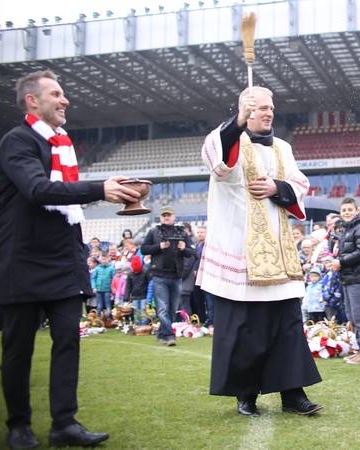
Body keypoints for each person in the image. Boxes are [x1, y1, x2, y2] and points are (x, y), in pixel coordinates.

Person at [0, 70, 140, 448]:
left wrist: (101, 194)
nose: (65, 101)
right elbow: (38, 189)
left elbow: (64, 197)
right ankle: (18, 425)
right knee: (18, 349)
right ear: (32, 101)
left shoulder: (63, 143)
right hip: (22, 262)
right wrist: (99, 189)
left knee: (67, 342)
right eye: (56, 94)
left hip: (62, 262)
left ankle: (64, 423)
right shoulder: (17, 142)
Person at [198, 86, 322, 416]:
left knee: (288, 326)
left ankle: (293, 395)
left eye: (271, 107)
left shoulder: (283, 147)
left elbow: (299, 184)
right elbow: (217, 161)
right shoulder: (229, 139)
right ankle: (246, 396)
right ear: (245, 111)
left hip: (278, 252)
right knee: (244, 328)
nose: (268, 113)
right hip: (239, 248)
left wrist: (276, 188)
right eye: (260, 108)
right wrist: (236, 123)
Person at [140, 206, 195, 346]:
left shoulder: (182, 232)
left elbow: (192, 253)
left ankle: (162, 334)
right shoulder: (153, 231)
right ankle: (170, 335)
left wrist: (184, 249)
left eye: (169, 215)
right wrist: (159, 246)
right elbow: (144, 249)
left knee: (172, 308)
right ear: (160, 217)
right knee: (163, 308)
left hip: (176, 276)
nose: (166, 217)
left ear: (174, 217)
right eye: (164, 215)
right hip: (159, 276)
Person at [330, 197, 360, 364]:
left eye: (349, 209)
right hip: (348, 277)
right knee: (352, 315)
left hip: (359, 277)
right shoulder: (345, 230)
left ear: (356, 211)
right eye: (344, 210)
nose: (347, 213)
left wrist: (341, 262)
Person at [125, 255, 151, 324]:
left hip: (144, 296)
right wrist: (126, 297)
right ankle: (137, 324)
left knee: (143, 310)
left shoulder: (145, 272)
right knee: (136, 311)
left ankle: (144, 324)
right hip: (135, 296)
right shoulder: (130, 274)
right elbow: (128, 286)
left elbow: (149, 284)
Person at [92, 252, 115, 319]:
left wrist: (112, 288)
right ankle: (99, 318)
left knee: (108, 304)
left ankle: (108, 318)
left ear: (108, 259)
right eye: (102, 259)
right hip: (98, 289)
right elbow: (93, 278)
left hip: (107, 290)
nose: (104, 261)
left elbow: (114, 279)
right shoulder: (97, 268)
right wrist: (94, 287)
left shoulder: (111, 268)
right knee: (99, 305)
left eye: (105, 259)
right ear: (100, 260)